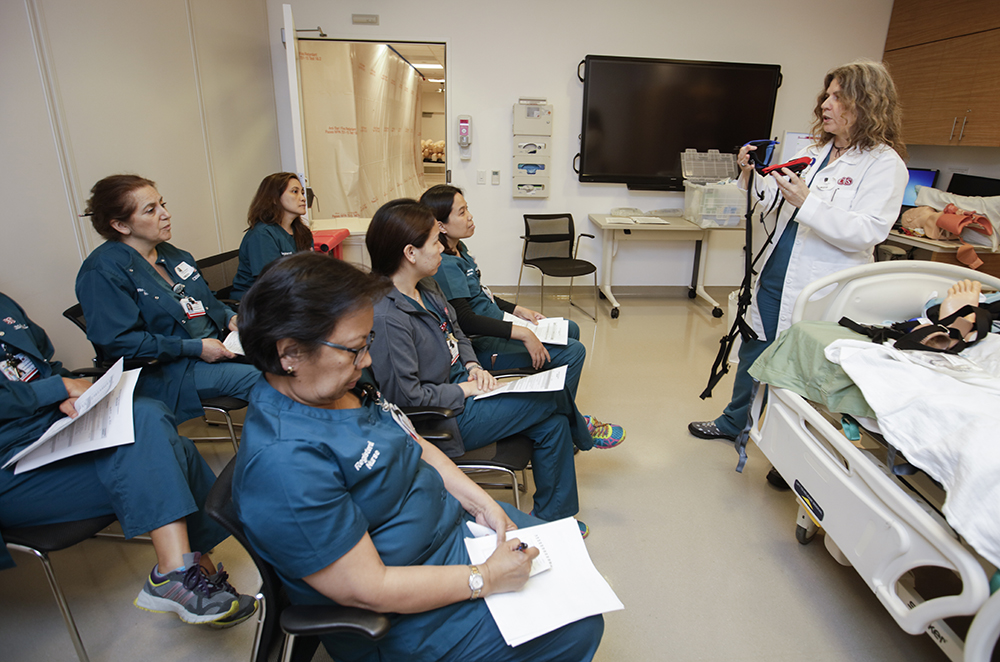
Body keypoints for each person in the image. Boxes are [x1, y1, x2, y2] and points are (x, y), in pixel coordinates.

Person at [232, 253, 604, 662]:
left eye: (367, 343)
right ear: (290, 354)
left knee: (571, 569)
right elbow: (369, 588)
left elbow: (413, 443)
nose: (368, 360)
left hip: (452, 538)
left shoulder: (336, 390)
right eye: (355, 349)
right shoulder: (285, 462)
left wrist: (480, 502)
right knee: (578, 626)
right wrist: (486, 578)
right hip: (406, 616)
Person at [0, 292, 256, 627]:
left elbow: (44, 367)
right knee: (168, 447)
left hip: (50, 434)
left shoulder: (5, 305)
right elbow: (56, 381)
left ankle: (183, 576)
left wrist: (67, 392)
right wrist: (56, 390)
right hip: (11, 467)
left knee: (150, 420)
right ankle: (185, 574)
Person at [689, 60, 908, 452]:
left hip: (823, 284)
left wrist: (808, 203)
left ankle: (789, 451)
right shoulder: (814, 152)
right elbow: (771, 202)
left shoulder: (884, 164)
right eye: (826, 95)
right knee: (755, 346)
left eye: (838, 96)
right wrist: (750, 175)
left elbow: (868, 231)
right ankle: (733, 421)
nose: (826, 103)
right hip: (776, 272)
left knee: (805, 366)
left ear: (866, 103)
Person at [365, 199, 594, 531]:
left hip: (470, 387)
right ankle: (585, 436)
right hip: (447, 417)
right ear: (410, 253)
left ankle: (554, 519)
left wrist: (473, 366)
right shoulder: (387, 317)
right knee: (553, 398)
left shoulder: (425, 287)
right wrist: (465, 388)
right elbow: (407, 398)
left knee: (553, 423)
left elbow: (457, 330)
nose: (441, 250)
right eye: (434, 242)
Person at [419, 184, 625, 448]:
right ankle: (570, 425)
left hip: (500, 324)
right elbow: (466, 320)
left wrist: (518, 311)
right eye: (461, 212)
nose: (469, 216)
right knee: (573, 352)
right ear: (442, 226)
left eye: (467, 208)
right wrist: (522, 332)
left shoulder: (460, 250)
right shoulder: (446, 265)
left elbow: (483, 296)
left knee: (570, 328)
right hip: (484, 341)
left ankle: (559, 411)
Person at [76, 175, 260, 424]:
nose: (166, 214)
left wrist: (230, 318)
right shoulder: (102, 272)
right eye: (151, 210)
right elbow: (121, 343)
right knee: (268, 382)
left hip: (220, 345)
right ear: (121, 225)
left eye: (163, 204)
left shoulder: (174, 255)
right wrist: (197, 348)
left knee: (293, 355)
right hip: (167, 369)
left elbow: (209, 302)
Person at [230, 172, 313, 300]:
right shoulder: (262, 234)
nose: (303, 198)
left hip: (292, 297)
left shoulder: (302, 232)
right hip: (259, 302)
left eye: (302, 192)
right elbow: (274, 282)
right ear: (274, 199)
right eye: (294, 192)